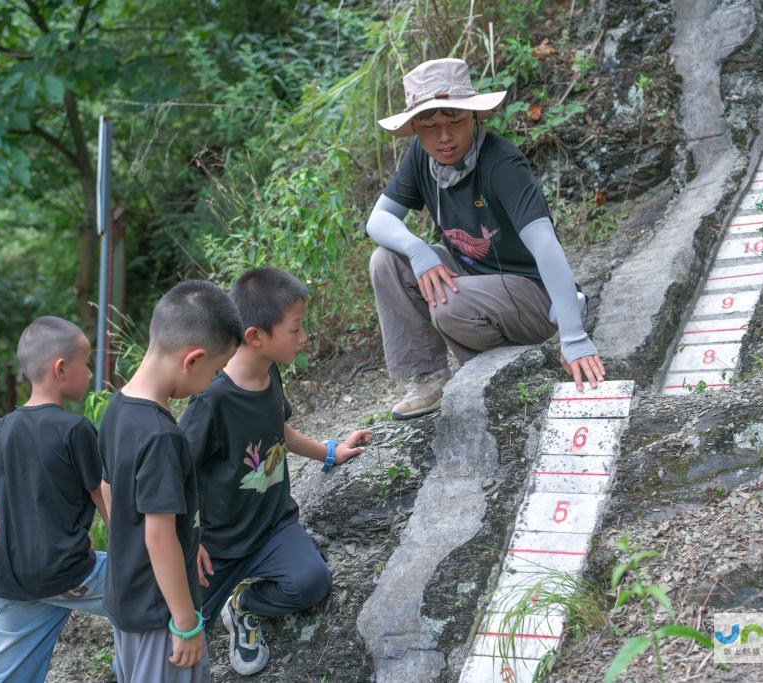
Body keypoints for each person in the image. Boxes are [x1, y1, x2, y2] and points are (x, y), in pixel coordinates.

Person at [367, 57, 606, 419]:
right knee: (386, 261)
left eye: (455, 122)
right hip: (475, 283)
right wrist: (417, 250)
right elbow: (379, 219)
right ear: (415, 127)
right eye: (429, 126)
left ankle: (506, 365)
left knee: (450, 306)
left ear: (474, 117)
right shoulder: (421, 157)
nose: (443, 137)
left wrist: (573, 336)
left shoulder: (501, 162)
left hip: (533, 295)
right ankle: (428, 378)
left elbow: (544, 242)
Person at [180, 267, 372, 676]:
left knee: (311, 584)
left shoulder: (270, 374)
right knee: (179, 632)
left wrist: (330, 451)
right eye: (295, 329)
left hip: (272, 526)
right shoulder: (210, 401)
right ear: (255, 336)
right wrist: (188, 538)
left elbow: (277, 431)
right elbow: (178, 472)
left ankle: (245, 607)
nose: (303, 339)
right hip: (217, 547)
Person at [0, 316, 110, 683]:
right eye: (87, 362)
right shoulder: (75, 429)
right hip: (67, 572)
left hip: (6, 579)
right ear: (61, 369)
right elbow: (103, 498)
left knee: (3, 677)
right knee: (153, 589)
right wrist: (134, 548)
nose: (90, 372)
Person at [100, 280, 242, 683]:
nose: (214, 381)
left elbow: (113, 492)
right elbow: (157, 536)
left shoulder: (119, 408)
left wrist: (186, 544)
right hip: (160, 612)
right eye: (216, 371)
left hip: (129, 595)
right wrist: (185, 621)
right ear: (192, 359)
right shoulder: (162, 436)